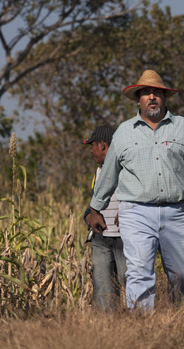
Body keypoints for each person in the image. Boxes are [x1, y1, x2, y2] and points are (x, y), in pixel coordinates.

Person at [87, 70, 184, 311]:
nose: (152, 96)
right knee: (138, 273)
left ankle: (183, 322)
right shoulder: (124, 132)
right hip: (135, 212)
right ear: (138, 100)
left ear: (165, 97)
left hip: (177, 211)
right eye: (146, 93)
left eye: (157, 92)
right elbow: (108, 174)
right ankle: (141, 329)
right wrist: (95, 208)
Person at [82, 125, 126, 311]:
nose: (91, 151)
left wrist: (126, 211)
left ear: (103, 145)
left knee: (129, 281)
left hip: (124, 237)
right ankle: (106, 327)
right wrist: (88, 216)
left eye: (92, 146)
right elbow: (94, 202)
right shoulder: (98, 172)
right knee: (102, 287)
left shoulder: (127, 169)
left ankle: (138, 322)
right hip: (100, 238)